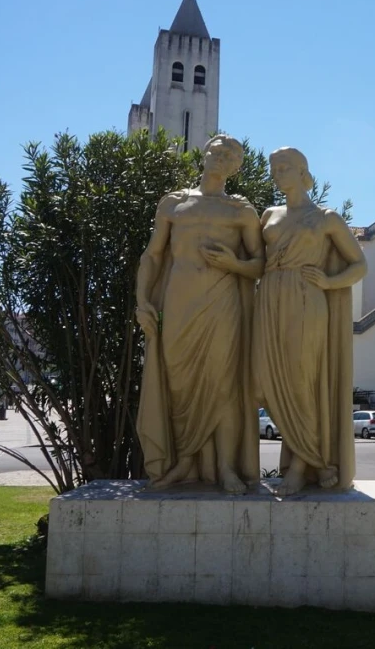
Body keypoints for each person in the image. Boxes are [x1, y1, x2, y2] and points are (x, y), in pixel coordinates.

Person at [135, 134, 263, 492]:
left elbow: (259, 265)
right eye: (216, 152)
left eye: (229, 157)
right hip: (178, 301)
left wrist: (233, 263)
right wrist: (142, 300)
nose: (220, 159)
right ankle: (184, 464)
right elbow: (153, 255)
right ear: (204, 156)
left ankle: (224, 468)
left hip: (223, 302)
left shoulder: (241, 211)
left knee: (221, 384)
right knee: (179, 384)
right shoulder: (174, 203)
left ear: (236, 168)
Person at [253, 147, 368, 496]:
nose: (277, 173)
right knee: (263, 382)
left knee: (303, 382)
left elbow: (359, 265)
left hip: (307, 300)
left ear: (302, 171)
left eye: (284, 167)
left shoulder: (326, 218)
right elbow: (256, 260)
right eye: (274, 168)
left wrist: (331, 283)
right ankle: (310, 459)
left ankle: (302, 465)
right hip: (269, 299)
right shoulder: (268, 214)